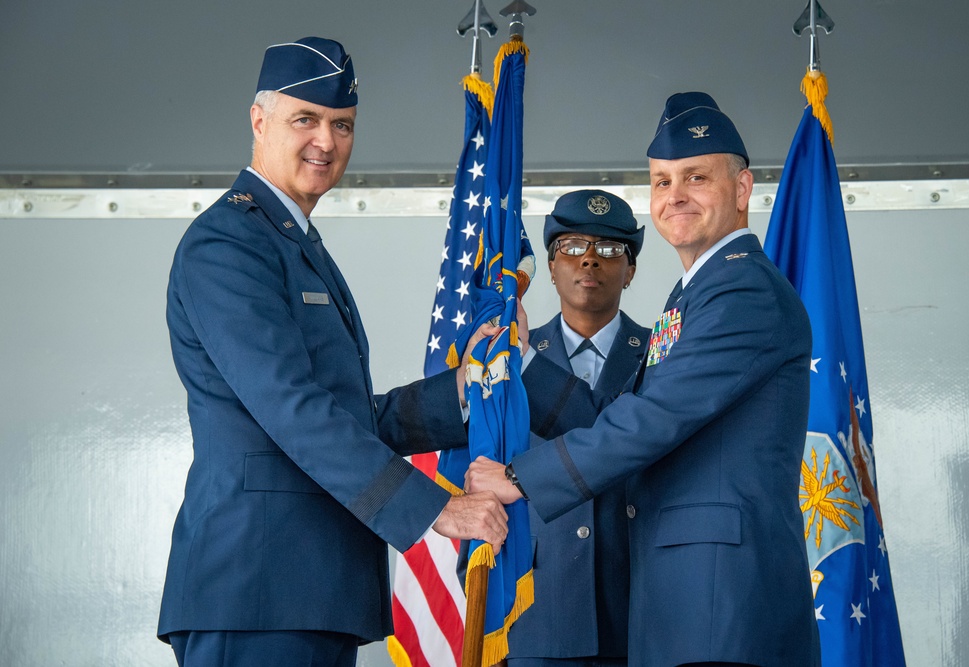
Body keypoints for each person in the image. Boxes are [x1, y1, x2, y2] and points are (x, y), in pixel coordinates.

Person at [157, 37, 508, 666]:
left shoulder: (293, 240)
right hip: (257, 589)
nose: (325, 140)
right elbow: (290, 409)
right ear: (258, 120)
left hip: (307, 589)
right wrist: (437, 510)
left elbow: (339, 412)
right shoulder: (228, 244)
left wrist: (458, 387)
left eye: (341, 125)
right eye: (305, 119)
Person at [467, 93, 822, 667]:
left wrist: (519, 477)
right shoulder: (697, 294)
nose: (675, 195)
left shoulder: (743, 291)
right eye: (661, 182)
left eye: (696, 177)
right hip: (683, 604)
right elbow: (621, 415)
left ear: (742, 188)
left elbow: (651, 421)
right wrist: (519, 362)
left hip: (719, 604)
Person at [463, 190, 649, 667]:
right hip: (534, 606)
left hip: (639, 609)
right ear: (549, 266)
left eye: (610, 250)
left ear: (630, 271)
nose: (590, 259)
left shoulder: (662, 358)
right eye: (572, 246)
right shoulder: (506, 360)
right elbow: (481, 465)